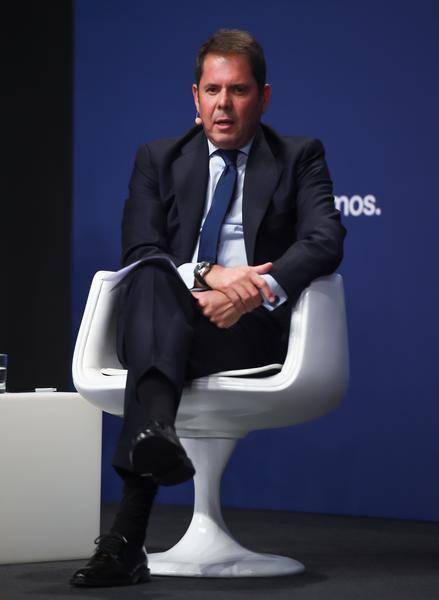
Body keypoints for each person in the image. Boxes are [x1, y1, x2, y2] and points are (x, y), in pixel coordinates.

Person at [70, 28, 346, 588]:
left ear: (263, 97)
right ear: (194, 97)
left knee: (154, 347)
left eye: (238, 91)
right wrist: (209, 275)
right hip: (167, 313)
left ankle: (127, 532)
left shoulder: (299, 157)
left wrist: (250, 294)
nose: (224, 104)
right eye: (213, 90)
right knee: (152, 276)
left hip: (246, 330)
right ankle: (151, 452)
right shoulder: (158, 159)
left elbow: (324, 240)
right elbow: (140, 249)